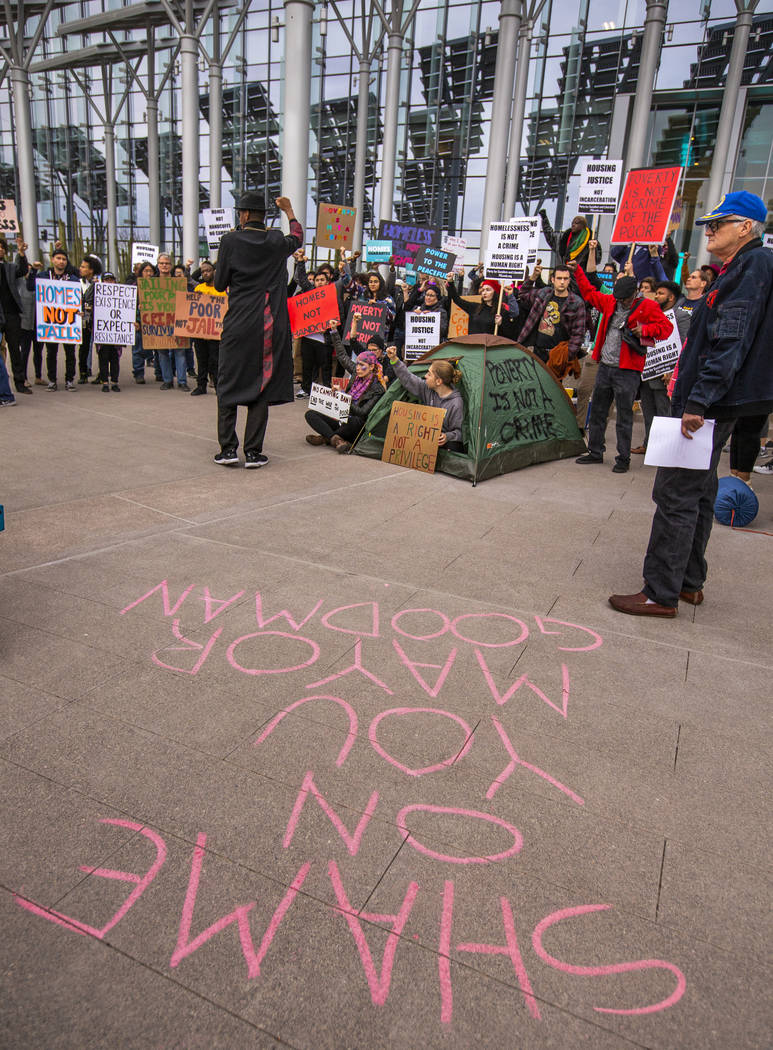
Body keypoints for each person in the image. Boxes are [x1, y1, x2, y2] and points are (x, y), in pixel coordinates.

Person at [608, 191, 773, 617]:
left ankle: (659, 592)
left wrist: (697, 400)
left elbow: (730, 342)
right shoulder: (741, 267)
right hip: (720, 400)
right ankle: (687, 582)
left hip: (711, 402)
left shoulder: (751, 267)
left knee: (676, 492)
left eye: (720, 222)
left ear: (746, 227)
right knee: (699, 492)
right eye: (708, 224)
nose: (710, 230)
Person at [213, 193, 302, 467]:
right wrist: (289, 210)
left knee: (228, 383)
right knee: (261, 385)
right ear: (263, 215)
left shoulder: (229, 241)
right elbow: (297, 237)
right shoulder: (275, 239)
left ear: (242, 215)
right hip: (268, 325)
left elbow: (218, 284)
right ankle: (253, 453)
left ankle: (228, 450)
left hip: (238, 323)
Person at [574, 268, 673, 473]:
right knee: (598, 411)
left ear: (635, 293)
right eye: (619, 299)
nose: (622, 303)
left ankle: (623, 458)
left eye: (625, 299)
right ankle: (595, 451)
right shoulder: (612, 301)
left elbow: (666, 328)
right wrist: (578, 272)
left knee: (624, 415)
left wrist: (645, 330)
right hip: (606, 365)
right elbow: (589, 293)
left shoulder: (648, 306)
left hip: (627, 370)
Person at [630, 280, 693, 455]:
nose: (656, 296)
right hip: (648, 374)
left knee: (665, 414)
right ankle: (649, 444)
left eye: (661, 294)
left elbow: (685, 345)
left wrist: (672, 371)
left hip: (666, 375)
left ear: (671, 297)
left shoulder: (681, 317)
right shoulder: (650, 316)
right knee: (649, 413)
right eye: (656, 293)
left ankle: (666, 450)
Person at [304, 320, 387, 452]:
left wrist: (343, 398)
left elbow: (362, 412)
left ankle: (327, 437)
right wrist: (334, 331)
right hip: (341, 416)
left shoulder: (378, 388)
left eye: (362, 365)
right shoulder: (356, 373)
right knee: (311, 414)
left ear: (371, 367)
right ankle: (335, 439)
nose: (358, 368)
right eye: (357, 364)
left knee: (355, 421)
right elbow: (342, 356)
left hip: (356, 424)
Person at [385, 344, 465, 451]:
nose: (425, 376)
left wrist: (447, 437)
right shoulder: (427, 389)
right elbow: (408, 378)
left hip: (443, 444)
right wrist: (394, 359)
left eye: (429, 374)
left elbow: (460, 432)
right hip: (426, 439)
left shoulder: (456, 403)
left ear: (438, 381)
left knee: (453, 445)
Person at [514, 264, 586, 377]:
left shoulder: (576, 302)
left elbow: (579, 334)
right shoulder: (544, 293)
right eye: (559, 278)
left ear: (569, 281)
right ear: (552, 279)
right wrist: (533, 277)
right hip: (538, 351)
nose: (562, 282)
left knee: (553, 390)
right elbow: (522, 294)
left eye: (565, 278)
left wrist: (567, 356)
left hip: (557, 354)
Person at [27, 247, 81, 391]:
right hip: (50, 322)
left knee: (70, 353)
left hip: (68, 322)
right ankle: (52, 380)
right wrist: (33, 270)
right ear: (53, 260)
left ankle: (69, 379)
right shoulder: (44, 276)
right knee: (51, 353)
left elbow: (77, 298)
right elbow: (30, 286)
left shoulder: (72, 279)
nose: (61, 261)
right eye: (58, 258)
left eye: (64, 259)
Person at [0, 235, 31, 395]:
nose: (0, 249)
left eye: (2, 247)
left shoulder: (10, 267)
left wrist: (21, 253)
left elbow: (23, 270)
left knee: (15, 350)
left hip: (11, 314)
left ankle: (20, 382)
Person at [190, 260, 224, 396]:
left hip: (215, 333)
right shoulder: (198, 289)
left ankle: (217, 386)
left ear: (214, 272)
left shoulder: (221, 290)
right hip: (200, 332)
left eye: (208, 270)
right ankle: (201, 386)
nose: (205, 273)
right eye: (203, 271)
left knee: (215, 361)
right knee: (201, 359)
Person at [446, 274, 519, 336]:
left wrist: (501, 324)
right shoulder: (475, 307)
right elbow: (456, 299)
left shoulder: (501, 312)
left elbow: (510, 334)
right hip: (474, 347)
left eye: (488, 290)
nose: (484, 293)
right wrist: (451, 282)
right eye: (483, 290)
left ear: (495, 293)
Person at [95, 271, 123, 391]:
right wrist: (94, 285)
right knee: (103, 359)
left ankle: (115, 382)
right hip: (102, 333)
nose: (109, 282)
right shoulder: (96, 293)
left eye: (111, 279)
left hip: (116, 334)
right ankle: (105, 382)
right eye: (106, 279)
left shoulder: (121, 295)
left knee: (115, 359)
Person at [78, 253, 103, 383]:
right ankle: (83, 372)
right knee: (84, 346)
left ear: (91, 270)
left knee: (100, 348)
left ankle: (102, 373)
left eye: (83, 267)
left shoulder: (100, 283)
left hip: (97, 318)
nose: (80, 269)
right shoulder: (77, 282)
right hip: (84, 318)